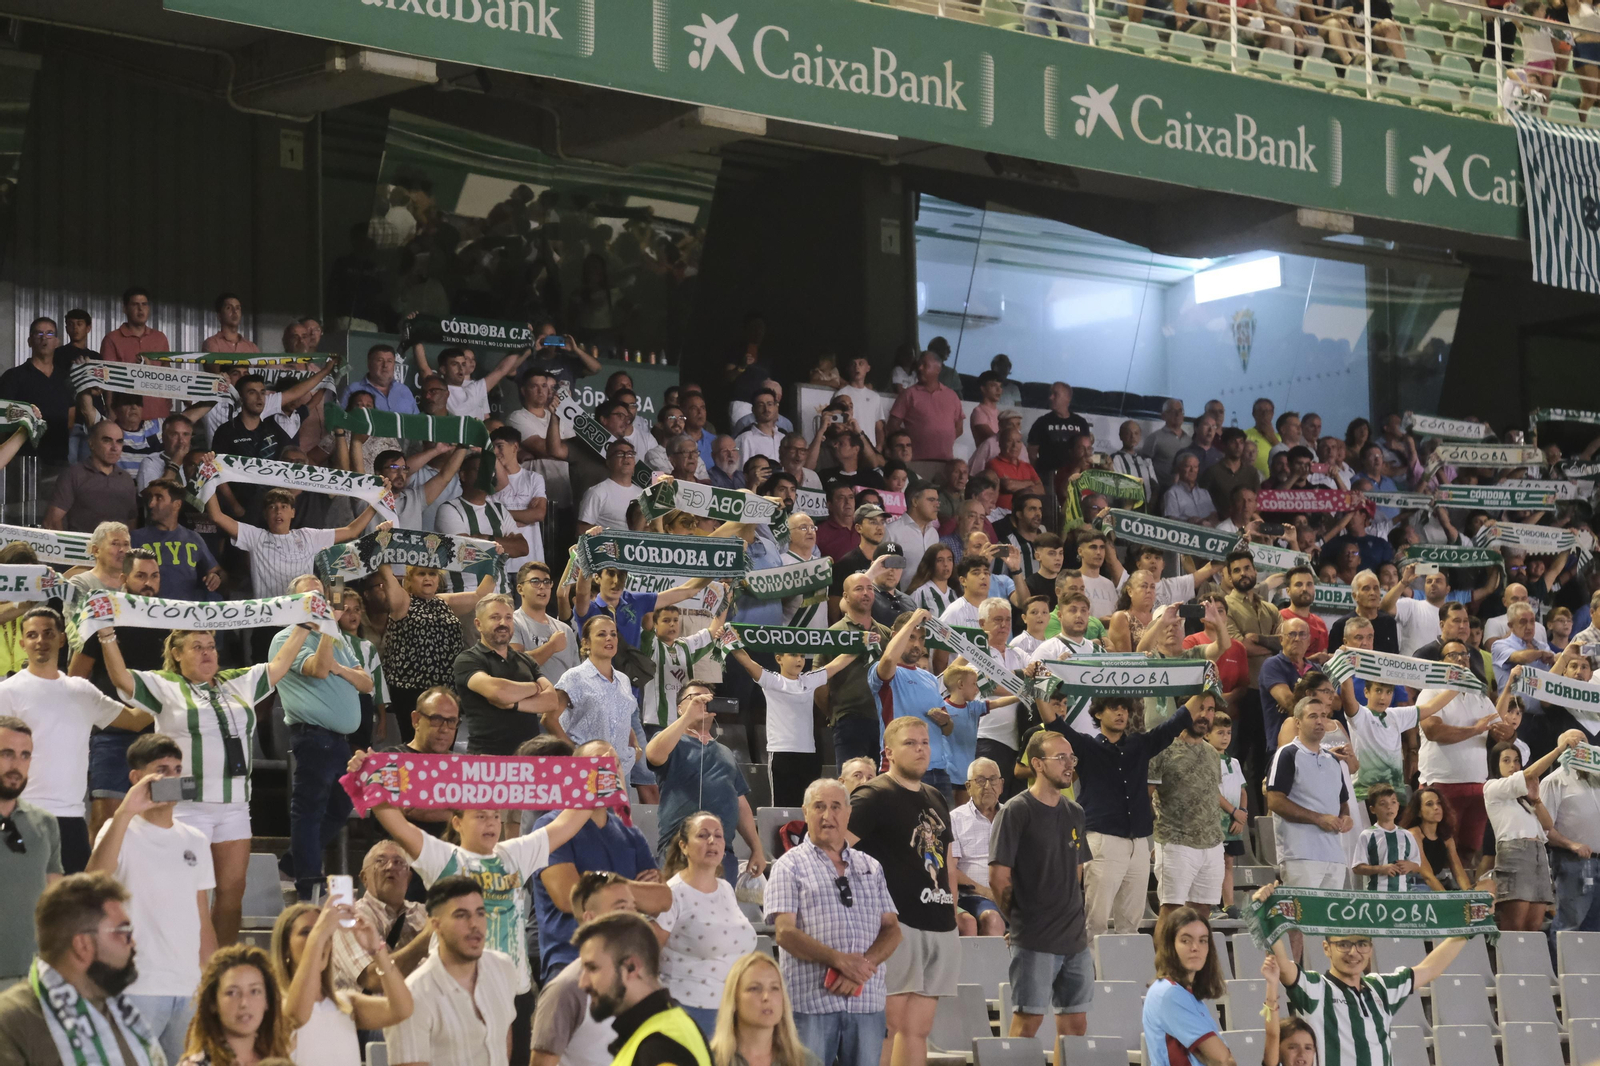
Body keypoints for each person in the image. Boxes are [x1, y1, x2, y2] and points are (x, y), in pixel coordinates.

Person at [102, 623, 310, 945]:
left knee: (231, 893)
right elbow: (121, 679)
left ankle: (220, 969)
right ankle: (181, 958)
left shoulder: (237, 681)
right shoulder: (166, 684)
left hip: (234, 804)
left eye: (211, 646)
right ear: (177, 654)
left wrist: (304, 626)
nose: (207, 652)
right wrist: (106, 635)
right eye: (197, 647)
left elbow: (280, 664)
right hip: (183, 804)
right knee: (186, 892)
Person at [85, 734, 217, 1061]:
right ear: (136, 778)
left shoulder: (196, 840)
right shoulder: (118, 831)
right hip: (135, 987)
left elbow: (203, 919)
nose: (172, 778)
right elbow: (92, 883)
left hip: (188, 989)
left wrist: (211, 982)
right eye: (161, 770)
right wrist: (127, 811)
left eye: (177, 769)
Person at [0, 607, 154, 874]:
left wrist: (172, 690)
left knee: (70, 911)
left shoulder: (82, 691)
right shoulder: (6, 692)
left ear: (62, 639)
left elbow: (135, 720)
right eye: (32, 635)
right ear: (22, 642)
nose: (40, 641)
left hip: (71, 820)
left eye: (48, 633)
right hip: (21, 815)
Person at [1256, 878, 1470, 1066]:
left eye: (1361, 944)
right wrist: (1268, 912)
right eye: (1344, 945)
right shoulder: (1316, 989)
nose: (1353, 952)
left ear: (1370, 949)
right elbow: (1282, 966)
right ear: (1326, 948)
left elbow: (1430, 968)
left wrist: (1470, 926)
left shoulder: (1382, 988)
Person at [765, 778, 899, 1066]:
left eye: (836, 806)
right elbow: (785, 933)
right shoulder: (788, 866)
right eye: (819, 807)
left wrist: (859, 969)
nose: (828, 815)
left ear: (848, 814)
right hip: (811, 1002)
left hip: (866, 1001)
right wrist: (839, 961)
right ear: (805, 812)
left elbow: (892, 929)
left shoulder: (871, 866)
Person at [848, 717, 957, 1066]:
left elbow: (948, 861)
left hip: (939, 920)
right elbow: (835, 851)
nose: (921, 749)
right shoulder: (872, 795)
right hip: (897, 924)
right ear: (889, 752)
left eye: (924, 742)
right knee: (888, 1024)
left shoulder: (936, 795)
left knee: (919, 1028)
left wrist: (953, 908)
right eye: (911, 743)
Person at [1048, 694, 1191, 937]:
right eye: (1114, 708)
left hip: (1139, 841)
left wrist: (1205, 686)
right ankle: (1092, 974)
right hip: (1103, 840)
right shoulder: (1086, 746)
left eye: (1124, 709)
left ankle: (1127, 972)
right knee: (1096, 921)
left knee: (1131, 924)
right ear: (1097, 714)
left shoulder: (1139, 744)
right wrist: (1039, 689)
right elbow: (1053, 723)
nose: (1121, 713)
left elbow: (1176, 723)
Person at [530, 738, 670, 986]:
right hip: (572, 963)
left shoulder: (630, 831)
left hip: (626, 964)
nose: (610, 772)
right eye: (599, 765)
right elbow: (567, 897)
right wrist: (632, 893)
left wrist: (593, 882)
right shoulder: (550, 827)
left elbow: (661, 900)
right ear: (576, 775)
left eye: (614, 765)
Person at [989, 728, 1093, 1041]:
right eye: (1060, 757)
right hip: (1035, 938)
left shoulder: (1075, 812)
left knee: (1076, 1027)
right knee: (1027, 1024)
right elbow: (998, 877)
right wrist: (1019, 923)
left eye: (1071, 757)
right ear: (1037, 764)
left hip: (1075, 940)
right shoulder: (1016, 810)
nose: (1069, 764)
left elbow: (1077, 871)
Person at [0, 873, 153, 1066]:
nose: (133, 943)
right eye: (124, 932)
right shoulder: (13, 1023)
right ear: (83, 945)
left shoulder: (121, 1014)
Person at [384, 877, 521, 1066]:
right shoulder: (414, 995)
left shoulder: (502, 968)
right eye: (461, 915)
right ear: (436, 925)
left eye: (480, 913)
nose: (474, 924)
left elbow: (502, 1035)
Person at [644, 683, 768, 881]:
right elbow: (653, 754)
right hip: (680, 848)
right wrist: (687, 719)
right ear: (679, 708)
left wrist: (757, 848)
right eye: (694, 699)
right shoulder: (672, 741)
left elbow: (740, 803)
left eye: (707, 699)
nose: (702, 703)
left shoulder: (725, 752)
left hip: (722, 852)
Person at [656, 812, 759, 1038]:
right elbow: (647, 954)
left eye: (718, 836)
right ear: (683, 846)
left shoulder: (726, 889)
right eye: (703, 835)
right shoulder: (671, 894)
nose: (712, 841)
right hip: (686, 1011)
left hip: (731, 1011)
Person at [271, 901, 414, 1066]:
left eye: (326, 934)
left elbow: (402, 1009)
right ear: (285, 947)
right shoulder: (271, 1006)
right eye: (306, 932)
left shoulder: (346, 1004)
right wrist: (318, 936)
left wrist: (377, 951)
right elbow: (297, 1017)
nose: (321, 939)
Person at [1265, 698, 1352, 958]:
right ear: (1298, 721)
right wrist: (1317, 819)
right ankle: (1288, 983)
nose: (1320, 721)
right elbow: (1274, 800)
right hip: (1300, 852)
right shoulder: (1288, 754)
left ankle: (1324, 984)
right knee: (1296, 925)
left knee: (1330, 925)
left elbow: (1343, 803)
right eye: (1313, 715)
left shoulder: (1334, 761)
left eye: (1324, 716)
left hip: (1333, 855)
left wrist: (1345, 818)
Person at [725, 640, 859, 808]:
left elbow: (839, 663)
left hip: (809, 754)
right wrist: (730, 642)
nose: (799, 660)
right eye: (793, 655)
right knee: (783, 807)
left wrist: (863, 643)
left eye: (802, 656)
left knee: (809, 807)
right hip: (781, 753)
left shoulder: (809, 680)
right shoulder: (772, 681)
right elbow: (747, 663)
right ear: (779, 658)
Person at [1417, 640, 1513, 871]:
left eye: (1465, 654)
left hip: (1477, 786)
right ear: (1441, 663)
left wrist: (1505, 731)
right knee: (1438, 849)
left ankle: (1463, 896)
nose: (1461, 659)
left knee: (1470, 849)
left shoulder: (1478, 695)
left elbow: (1503, 733)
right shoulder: (1431, 691)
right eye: (1453, 656)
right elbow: (1433, 731)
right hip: (1442, 783)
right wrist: (1475, 730)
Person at [376, 561, 496, 744]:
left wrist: (496, 560)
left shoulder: (444, 602)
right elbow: (386, 574)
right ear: (409, 579)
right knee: (416, 745)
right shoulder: (403, 602)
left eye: (432, 574)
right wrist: (383, 541)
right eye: (421, 573)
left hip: (446, 688)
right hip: (410, 690)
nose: (427, 578)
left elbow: (481, 594)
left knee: (445, 746)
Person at [575, 910, 713, 1064]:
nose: (583, 983)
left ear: (631, 968)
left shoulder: (658, 1047)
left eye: (593, 968)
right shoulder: (668, 1028)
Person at [531, 871, 640, 1066]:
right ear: (591, 918)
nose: (634, 917)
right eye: (622, 907)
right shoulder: (567, 989)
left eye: (634, 907)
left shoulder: (641, 979)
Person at [1484, 724, 1580, 930]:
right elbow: (1529, 774)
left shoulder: (1524, 798)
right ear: (1495, 764)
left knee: (1534, 925)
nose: (1513, 765)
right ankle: (1508, 962)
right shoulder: (1492, 788)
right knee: (1514, 924)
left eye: (1517, 760)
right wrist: (1558, 750)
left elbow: (1547, 825)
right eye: (1506, 760)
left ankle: (1528, 962)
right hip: (1514, 853)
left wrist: (1536, 801)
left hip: (1539, 855)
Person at [1148, 694, 1231, 919]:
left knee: (1203, 912)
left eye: (1211, 709)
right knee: (1171, 911)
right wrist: (1153, 840)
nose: (1205, 715)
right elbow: (1146, 798)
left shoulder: (1213, 754)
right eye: (1200, 708)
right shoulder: (1163, 749)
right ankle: (1163, 956)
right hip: (1175, 843)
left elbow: (1211, 794)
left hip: (1212, 845)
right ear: (1185, 710)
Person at [0, 717, 61, 988]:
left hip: (33, 980)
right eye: (6, 754)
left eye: (25, 756)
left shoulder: (45, 823)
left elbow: (56, 902)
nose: (17, 765)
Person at [454, 592, 553, 755]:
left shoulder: (525, 660)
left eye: (508, 617)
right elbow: (498, 691)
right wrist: (535, 688)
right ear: (478, 624)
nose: (503, 623)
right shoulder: (468, 659)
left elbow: (551, 701)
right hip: (486, 757)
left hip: (529, 758)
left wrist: (514, 704)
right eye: (495, 617)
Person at [328, 841, 431, 993]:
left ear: (408, 878)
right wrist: (424, 941)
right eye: (380, 862)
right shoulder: (350, 918)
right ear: (364, 878)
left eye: (398, 862)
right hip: (368, 1013)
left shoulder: (423, 912)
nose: (390, 867)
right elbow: (374, 980)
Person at [175, 943, 296, 1066]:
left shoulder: (279, 1060)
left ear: (267, 1001)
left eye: (254, 991)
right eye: (232, 993)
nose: (244, 1003)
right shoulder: (195, 1064)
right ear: (213, 1002)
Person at [1141, 909, 1234, 1066]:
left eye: (1203, 940)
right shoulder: (1169, 993)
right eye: (1186, 940)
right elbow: (1222, 1058)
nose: (1195, 947)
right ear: (1170, 945)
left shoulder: (1188, 995)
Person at [824, 574, 893, 765]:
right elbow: (820, 682)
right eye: (859, 589)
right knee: (853, 781)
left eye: (870, 588)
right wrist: (835, 714)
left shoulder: (886, 633)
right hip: (849, 719)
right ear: (845, 596)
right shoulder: (834, 634)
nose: (866, 593)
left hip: (883, 720)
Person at [708, 952, 819, 1066]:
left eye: (774, 988)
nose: (766, 996)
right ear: (734, 1000)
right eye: (754, 988)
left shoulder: (806, 1062)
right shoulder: (708, 1060)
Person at [42, 420, 139, 532]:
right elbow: (51, 522)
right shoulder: (73, 475)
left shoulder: (126, 479)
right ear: (91, 443)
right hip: (81, 548)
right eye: (107, 440)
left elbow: (132, 524)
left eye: (119, 442)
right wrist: (69, 548)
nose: (114, 447)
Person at [950, 758, 1006, 936]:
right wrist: (988, 893)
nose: (988, 786)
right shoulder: (955, 819)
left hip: (1013, 896)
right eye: (980, 780)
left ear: (1001, 784)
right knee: (992, 919)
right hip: (975, 897)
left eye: (993, 779)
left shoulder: (1013, 816)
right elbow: (951, 869)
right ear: (968, 787)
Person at [887, 352, 964, 478]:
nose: (919, 368)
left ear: (937, 369)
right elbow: (892, 425)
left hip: (946, 463)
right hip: (916, 462)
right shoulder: (909, 394)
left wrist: (942, 437)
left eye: (924, 365)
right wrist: (909, 443)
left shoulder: (952, 396)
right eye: (918, 365)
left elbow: (959, 428)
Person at [510, 561, 578, 682]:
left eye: (546, 582)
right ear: (520, 589)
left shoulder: (565, 629)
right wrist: (551, 646)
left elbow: (577, 675)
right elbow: (516, 667)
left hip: (565, 699)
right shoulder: (512, 622)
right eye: (535, 581)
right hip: (531, 698)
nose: (542, 586)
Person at [1399, 785, 1470, 892]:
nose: (1436, 807)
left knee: (1487, 885)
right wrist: (1447, 899)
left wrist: (1470, 895)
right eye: (1429, 804)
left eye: (1439, 803)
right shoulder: (1413, 834)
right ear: (1419, 812)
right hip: (1413, 884)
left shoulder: (1447, 837)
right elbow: (1427, 875)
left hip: (1437, 883)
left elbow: (1459, 873)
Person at [340, 344, 418, 413]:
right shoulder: (353, 389)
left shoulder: (404, 391)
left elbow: (416, 422)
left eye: (389, 361)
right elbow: (341, 421)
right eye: (380, 360)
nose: (385, 365)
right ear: (369, 364)